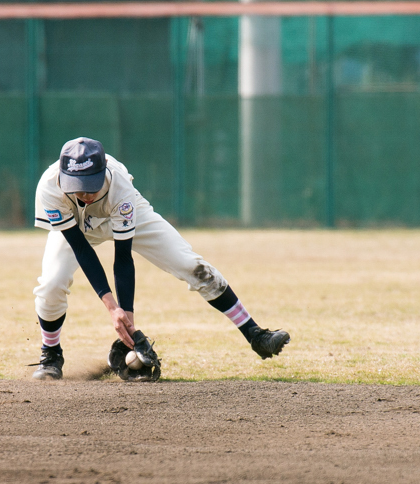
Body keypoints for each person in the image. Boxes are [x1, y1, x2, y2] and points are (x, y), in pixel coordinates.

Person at [30, 137, 289, 380]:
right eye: (78, 187)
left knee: (193, 266)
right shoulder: (50, 187)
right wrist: (112, 309)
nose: (85, 194)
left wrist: (127, 322)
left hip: (122, 213)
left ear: (104, 170)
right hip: (76, 226)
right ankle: (51, 355)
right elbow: (83, 250)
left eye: (91, 185)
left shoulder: (119, 186)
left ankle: (254, 334)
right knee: (52, 284)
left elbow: (123, 259)